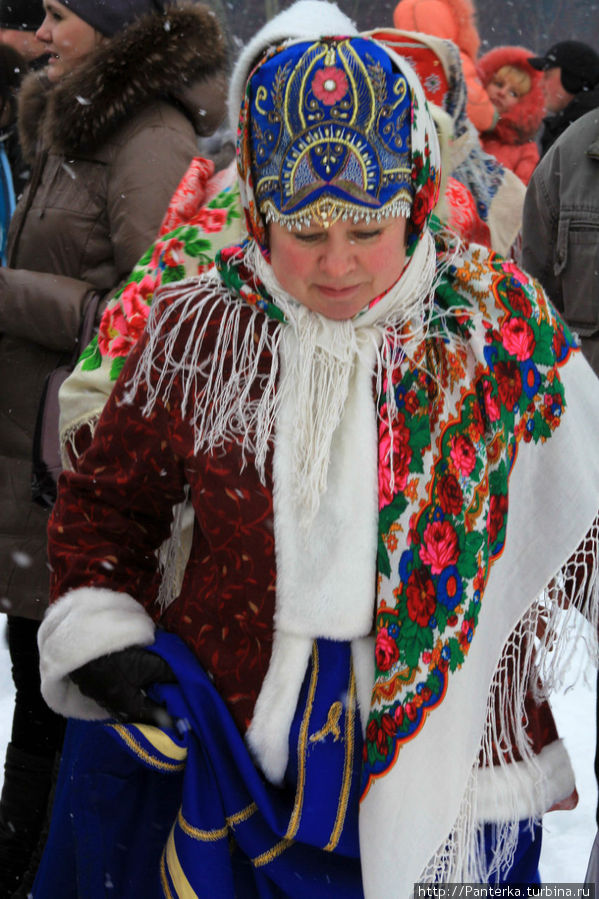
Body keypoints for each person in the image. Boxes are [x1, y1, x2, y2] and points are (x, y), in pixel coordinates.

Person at [32, 4, 599, 895]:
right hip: (234, 754)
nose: (337, 266)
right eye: (304, 234)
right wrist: (102, 625)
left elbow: (583, 514)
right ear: (256, 214)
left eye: (367, 231)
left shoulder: (494, 327)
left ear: (413, 202)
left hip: (453, 779)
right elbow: (108, 500)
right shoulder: (201, 327)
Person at [0, 1, 228, 895]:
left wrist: (13, 295)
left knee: (57, 713)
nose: (46, 31)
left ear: (117, 23)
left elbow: (154, 312)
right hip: (35, 462)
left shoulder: (146, 138)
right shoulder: (79, 123)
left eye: (63, 13)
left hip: (71, 473)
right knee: (38, 696)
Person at [392, 0, 497, 134]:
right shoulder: (452, 58)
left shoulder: (393, 53)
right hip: (444, 143)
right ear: (451, 23)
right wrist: (492, 115)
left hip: (399, 132)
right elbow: (474, 104)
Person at [477, 45, 544, 185]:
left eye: (513, 93)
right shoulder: (461, 125)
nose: (502, 93)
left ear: (525, 104)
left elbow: (518, 200)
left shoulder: (525, 151)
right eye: (499, 84)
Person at [528, 40, 599, 155]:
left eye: (547, 75)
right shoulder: (570, 129)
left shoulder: (586, 137)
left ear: (571, 79)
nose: (540, 84)